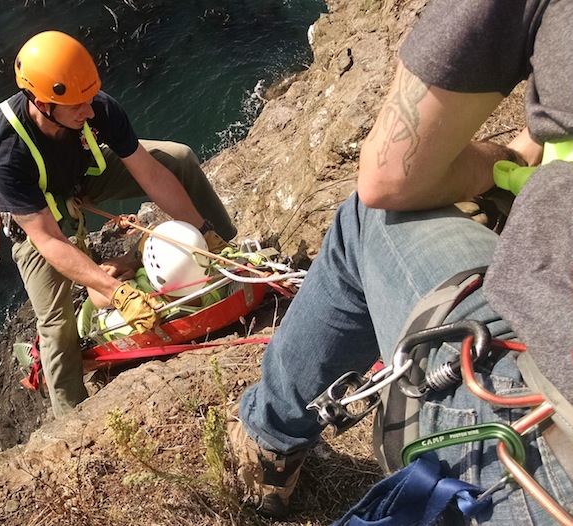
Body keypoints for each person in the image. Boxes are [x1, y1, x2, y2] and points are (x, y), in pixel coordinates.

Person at [228, 0, 573, 522]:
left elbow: (390, 180)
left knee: (368, 218)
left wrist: (501, 162)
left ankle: (268, 437)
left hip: (546, 455)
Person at [0, 30, 236, 418]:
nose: (88, 110)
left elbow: (149, 172)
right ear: (42, 103)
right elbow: (47, 239)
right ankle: (71, 418)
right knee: (55, 320)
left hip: (84, 180)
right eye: (76, 105)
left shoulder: (97, 107)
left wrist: (201, 229)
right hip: (39, 216)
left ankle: (225, 250)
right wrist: (117, 293)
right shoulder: (3, 150)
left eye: (88, 99)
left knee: (177, 159)